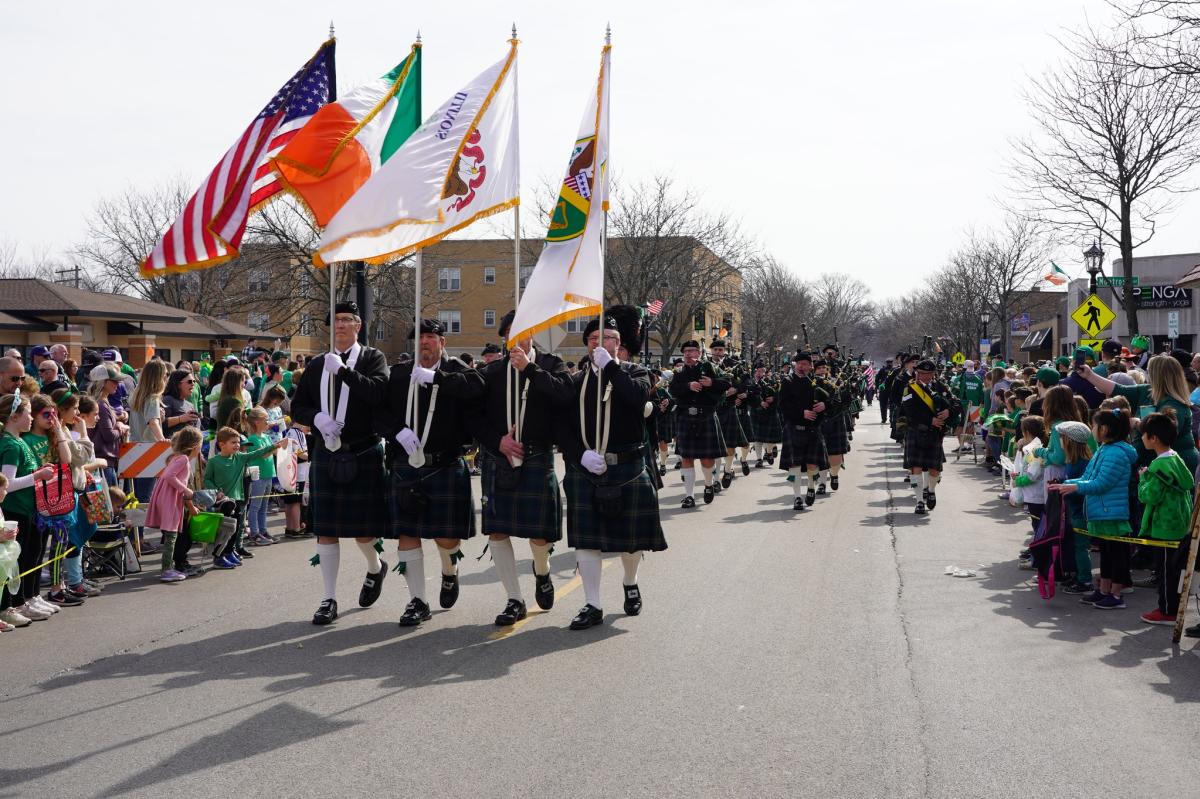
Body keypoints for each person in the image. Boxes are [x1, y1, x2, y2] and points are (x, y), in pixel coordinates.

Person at [557, 315, 666, 630]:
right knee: (587, 542)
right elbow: (561, 426)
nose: (600, 343)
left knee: (630, 541)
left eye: (609, 339)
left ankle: (630, 582)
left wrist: (612, 368)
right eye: (594, 339)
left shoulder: (638, 373)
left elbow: (636, 397)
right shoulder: (575, 381)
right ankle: (592, 604)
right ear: (587, 345)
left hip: (627, 467)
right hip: (586, 468)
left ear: (619, 346)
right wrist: (580, 454)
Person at [290, 301, 391, 626]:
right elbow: (298, 406)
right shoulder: (317, 364)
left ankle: (376, 568)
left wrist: (345, 373)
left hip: (362, 451)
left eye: (348, 319)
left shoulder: (373, 358)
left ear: (358, 325)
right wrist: (318, 417)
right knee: (326, 532)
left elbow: (378, 394)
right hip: (327, 453)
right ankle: (328, 598)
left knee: (363, 533)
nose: (342, 325)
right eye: (336, 321)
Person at [472, 310, 572, 625]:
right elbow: (476, 418)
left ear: (533, 335)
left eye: (522, 332)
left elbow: (564, 396)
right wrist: (497, 441)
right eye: (510, 334)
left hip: (537, 455)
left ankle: (542, 572)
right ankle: (513, 600)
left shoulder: (552, 365)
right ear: (504, 338)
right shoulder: (491, 373)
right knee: (497, 532)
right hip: (499, 457)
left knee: (541, 536)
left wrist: (529, 369)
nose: (515, 339)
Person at [385, 318, 486, 627]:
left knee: (446, 538)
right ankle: (417, 600)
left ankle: (449, 571)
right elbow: (380, 412)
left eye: (431, 337)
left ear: (443, 342)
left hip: (444, 463)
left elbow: (478, 389)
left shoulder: (457, 371)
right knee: (407, 534)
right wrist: (396, 432)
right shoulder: (400, 374)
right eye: (420, 338)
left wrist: (437, 377)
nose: (424, 342)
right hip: (408, 464)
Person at [1051, 408, 1138, 610]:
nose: (1092, 429)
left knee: (1115, 556)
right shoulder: (1104, 449)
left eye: (1094, 425)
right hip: (1101, 512)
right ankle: (1104, 590)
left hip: (1112, 513)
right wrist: (1065, 483)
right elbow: (1088, 478)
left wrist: (1074, 486)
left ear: (1105, 428)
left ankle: (1116, 595)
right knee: (1107, 555)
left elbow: (1101, 483)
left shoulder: (1116, 453)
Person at [1076, 354, 1199, 474]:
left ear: (1159, 375)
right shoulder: (1147, 391)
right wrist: (1089, 375)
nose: (1147, 374)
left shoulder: (1176, 404)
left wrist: (1137, 423)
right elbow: (1116, 389)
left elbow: (1163, 433)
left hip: (1175, 469)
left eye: (1150, 371)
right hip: (1152, 465)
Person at [0, 393, 58, 625]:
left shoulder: (19, 440)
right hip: (16, 510)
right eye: (27, 413)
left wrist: (39, 471)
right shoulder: (10, 445)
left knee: (33, 554)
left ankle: (30, 597)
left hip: (28, 509)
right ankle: (14, 603)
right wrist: (38, 475)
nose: (31, 417)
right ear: (14, 416)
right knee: (17, 561)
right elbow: (8, 483)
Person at [1134, 411, 1195, 626]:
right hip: (1179, 523)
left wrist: (1143, 479)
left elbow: (1149, 496)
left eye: (1143, 435)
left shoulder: (1158, 465)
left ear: (1154, 438)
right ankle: (1170, 607)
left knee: (1165, 571)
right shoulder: (1175, 458)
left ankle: (1167, 611)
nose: (1141, 438)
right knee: (1174, 570)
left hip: (1164, 525)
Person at [669, 340, 728, 508]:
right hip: (686, 418)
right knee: (686, 457)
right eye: (686, 351)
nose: (688, 354)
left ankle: (708, 484)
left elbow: (726, 383)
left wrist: (712, 383)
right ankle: (689, 496)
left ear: (699, 353)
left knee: (707, 459)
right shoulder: (679, 373)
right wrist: (688, 385)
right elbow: (673, 390)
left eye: (692, 351)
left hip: (706, 416)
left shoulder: (709, 368)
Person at [896, 359, 958, 514]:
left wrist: (949, 411)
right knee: (915, 467)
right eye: (922, 373)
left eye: (929, 374)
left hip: (934, 434)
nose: (925, 377)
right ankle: (919, 501)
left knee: (934, 469)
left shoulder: (941, 387)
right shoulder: (909, 389)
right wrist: (930, 420)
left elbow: (956, 403)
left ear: (933, 374)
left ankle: (930, 490)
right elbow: (909, 410)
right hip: (916, 431)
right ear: (917, 372)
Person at [146, 427, 203, 583]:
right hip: (169, 500)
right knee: (171, 536)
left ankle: (169, 567)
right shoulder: (183, 459)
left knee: (172, 535)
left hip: (169, 498)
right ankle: (166, 570)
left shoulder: (177, 458)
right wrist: (186, 490)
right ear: (196, 446)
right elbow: (168, 476)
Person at [778, 351, 829, 510]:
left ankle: (811, 488)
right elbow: (783, 406)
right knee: (795, 465)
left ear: (810, 366)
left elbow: (837, 399)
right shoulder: (787, 382)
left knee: (812, 464)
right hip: (794, 427)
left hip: (813, 429)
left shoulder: (817, 382)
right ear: (795, 365)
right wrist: (801, 413)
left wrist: (825, 405)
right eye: (799, 363)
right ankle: (797, 497)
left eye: (805, 364)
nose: (801, 366)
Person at [242, 407, 278, 547]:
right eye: (265, 419)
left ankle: (263, 531)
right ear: (257, 422)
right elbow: (263, 455)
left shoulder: (267, 436)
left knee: (264, 506)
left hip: (269, 474)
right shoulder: (252, 438)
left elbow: (274, 453)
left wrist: (283, 446)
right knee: (255, 506)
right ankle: (254, 534)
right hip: (258, 476)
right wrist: (276, 446)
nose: (268, 422)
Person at [749, 362, 782, 467]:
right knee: (757, 438)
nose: (761, 373)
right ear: (755, 372)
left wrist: (774, 398)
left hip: (770, 412)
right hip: (756, 413)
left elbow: (781, 395)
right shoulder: (750, 383)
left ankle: (768, 452)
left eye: (763, 371)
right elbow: (748, 398)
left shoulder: (773, 382)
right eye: (759, 371)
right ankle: (759, 459)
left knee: (770, 438)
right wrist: (759, 402)